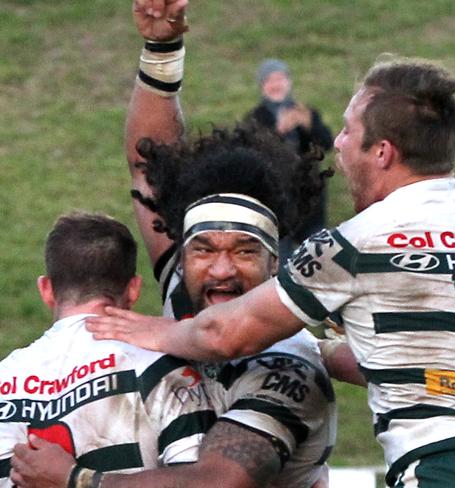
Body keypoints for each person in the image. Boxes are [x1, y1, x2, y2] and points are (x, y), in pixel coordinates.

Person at [87, 46, 455, 487]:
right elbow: (410, 361)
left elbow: (223, 336)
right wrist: (318, 350)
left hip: (441, 469)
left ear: (383, 152)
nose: (338, 142)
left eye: (349, 130)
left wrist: (150, 332)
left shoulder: (358, 242)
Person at [11, 2, 335, 487]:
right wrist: (161, 49)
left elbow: (217, 482)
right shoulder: (185, 289)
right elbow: (149, 163)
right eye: (203, 250)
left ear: (275, 263)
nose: (221, 269)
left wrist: (80, 482)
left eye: (244, 251)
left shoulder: (285, 361)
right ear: (181, 254)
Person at [2, 212, 215, 488]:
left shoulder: (4, 377)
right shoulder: (161, 367)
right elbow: (201, 482)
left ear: (46, 289)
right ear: (134, 289)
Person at [244, 58, 334, 261]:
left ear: (289, 82)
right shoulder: (256, 117)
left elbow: (325, 144)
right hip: (276, 201)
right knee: (280, 261)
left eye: (280, 79)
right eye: (270, 81)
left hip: (309, 201)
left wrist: (309, 126)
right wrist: (278, 132)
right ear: (262, 86)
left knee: (316, 259)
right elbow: (252, 154)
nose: (276, 85)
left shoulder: (304, 112)